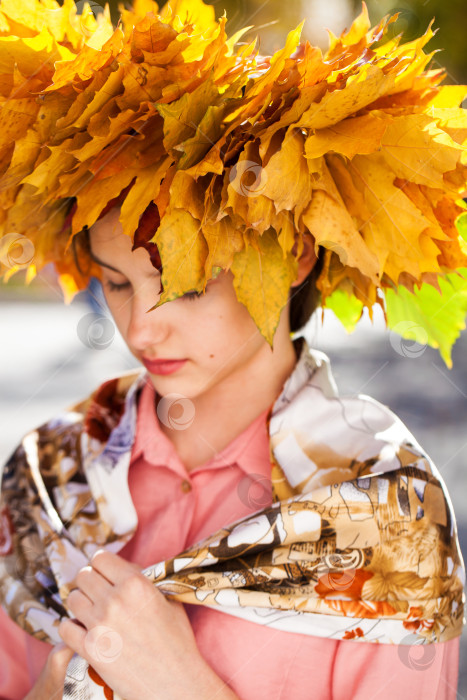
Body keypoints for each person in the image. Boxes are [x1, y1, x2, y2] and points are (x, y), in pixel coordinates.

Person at [0, 1, 466, 699]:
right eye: (117, 284)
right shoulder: (47, 476)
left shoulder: (384, 508)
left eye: (184, 288)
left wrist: (181, 685)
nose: (142, 330)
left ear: (296, 257)